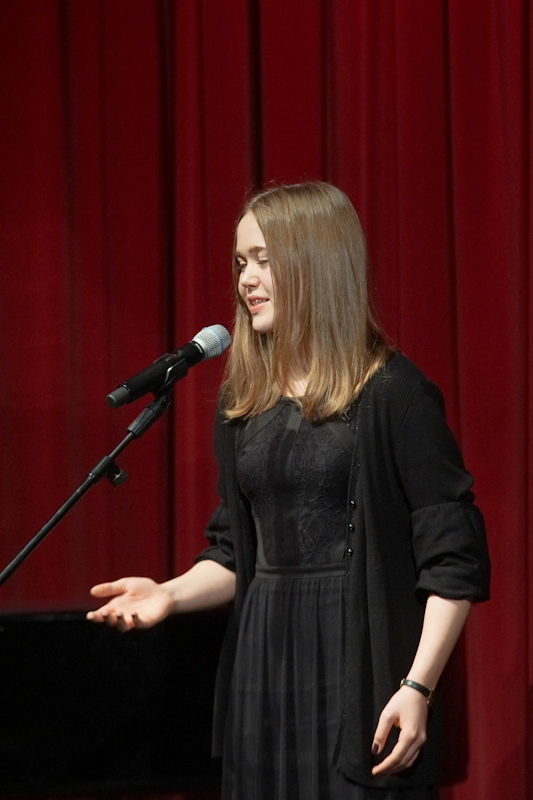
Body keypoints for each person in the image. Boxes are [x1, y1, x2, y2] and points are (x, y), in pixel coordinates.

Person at [87, 182, 490, 800]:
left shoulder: (393, 395)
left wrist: (417, 687)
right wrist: (169, 593)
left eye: (264, 260)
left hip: (358, 663)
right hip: (265, 660)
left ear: (315, 265)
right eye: (240, 263)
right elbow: (235, 550)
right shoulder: (243, 402)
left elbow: (452, 562)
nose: (246, 280)